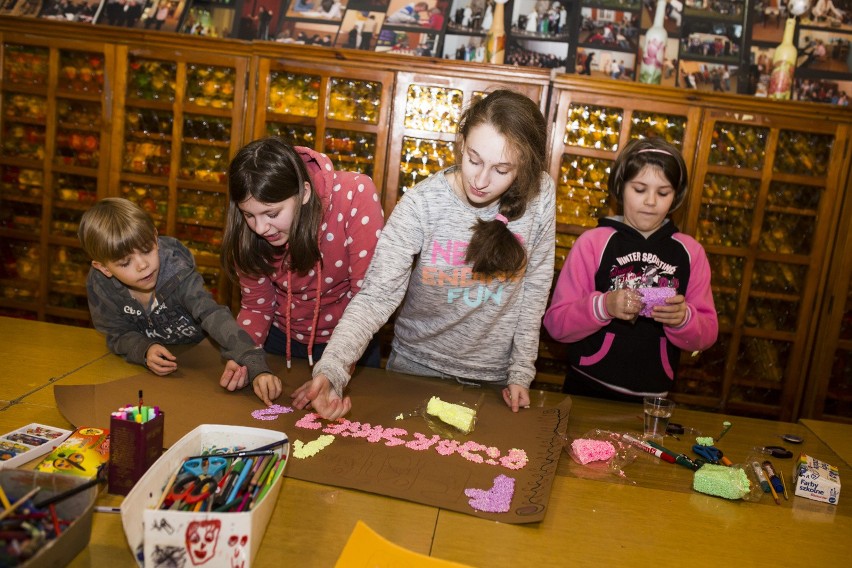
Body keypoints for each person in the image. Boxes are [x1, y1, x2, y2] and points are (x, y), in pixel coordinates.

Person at [291, 90, 556, 420]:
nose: (482, 180)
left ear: (525, 166)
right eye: (474, 160)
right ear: (461, 142)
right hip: (414, 369)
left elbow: (535, 286)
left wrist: (521, 371)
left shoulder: (541, 194)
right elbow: (376, 296)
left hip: (494, 379)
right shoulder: (421, 205)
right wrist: (332, 370)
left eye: (502, 169)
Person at [543, 138, 718, 401]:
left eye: (663, 193)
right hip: (585, 389)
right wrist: (604, 306)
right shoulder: (593, 244)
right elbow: (556, 325)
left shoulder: (691, 253)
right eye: (639, 189)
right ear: (620, 188)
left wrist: (683, 319)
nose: (650, 202)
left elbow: (706, 335)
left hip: (653, 397)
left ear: (676, 196)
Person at [78, 198, 283, 406]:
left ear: (155, 239)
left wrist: (252, 361)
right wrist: (144, 349)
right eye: (125, 263)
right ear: (103, 268)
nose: (142, 265)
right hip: (150, 378)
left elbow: (212, 314)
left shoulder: (177, 272)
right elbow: (116, 333)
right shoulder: (100, 286)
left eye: (147, 250)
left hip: (200, 360)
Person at [220, 138, 384, 391]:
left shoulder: (354, 194)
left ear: (305, 192)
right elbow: (257, 305)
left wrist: (334, 369)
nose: (260, 228)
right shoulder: (249, 232)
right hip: (280, 340)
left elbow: (367, 298)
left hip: (350, 342)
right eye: (249, 215)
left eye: (272, 214)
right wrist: (244, 355)